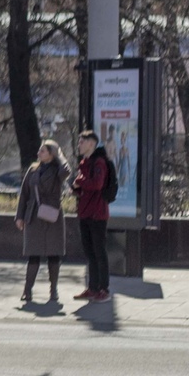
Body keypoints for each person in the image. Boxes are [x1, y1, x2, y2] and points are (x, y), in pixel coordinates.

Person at [17, 139, 69, 308]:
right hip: (33, 215)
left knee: (53, 254)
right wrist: (20, 217)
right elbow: (24, 194)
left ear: (51, 154)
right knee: (33, 254)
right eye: (39, 151)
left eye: (43, 151)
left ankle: (53, 290)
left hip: (52, 215)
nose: (39, 154)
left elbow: (67, 171)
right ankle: (27, 290)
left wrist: (59, 156)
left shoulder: (57, 171)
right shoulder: (33, 170)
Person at [73, 128, 117, 301]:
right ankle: (92, 287)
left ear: (91, 144)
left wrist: (80, 181)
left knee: (99, 252)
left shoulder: (99, 162)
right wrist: (76, 188)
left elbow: (97, 185)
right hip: (85, 212)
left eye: (82, 142)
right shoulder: (85, 162)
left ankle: (103, 289)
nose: (79, 145)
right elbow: (85, 186)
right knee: (90, 252)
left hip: (98, 213)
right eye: (79, 142)